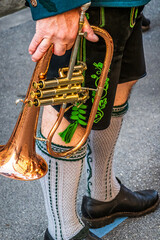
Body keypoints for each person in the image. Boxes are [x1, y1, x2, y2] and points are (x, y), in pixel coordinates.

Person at [26, 0, 159, 239]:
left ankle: (104, 195)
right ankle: (62, 231)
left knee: (119, 83)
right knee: (67, 110)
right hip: (81, 7)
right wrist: (55, 5)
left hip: (126, 4)